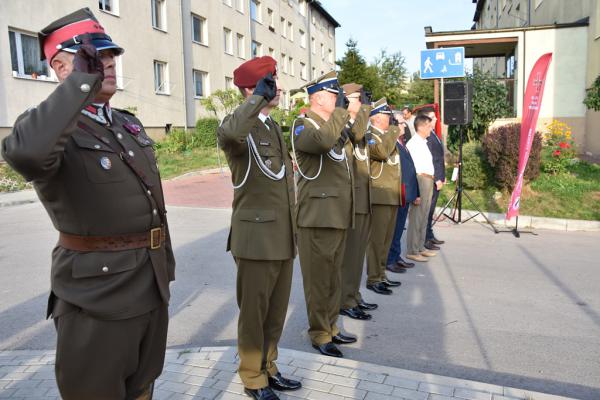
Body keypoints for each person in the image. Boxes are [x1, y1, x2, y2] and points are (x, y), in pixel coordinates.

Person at [1, 8, 175, 399]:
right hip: (98, 294)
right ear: (62, 67)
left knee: (142, 387)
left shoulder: (127, 124)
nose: (107, 62)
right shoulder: (48, 127)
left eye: (110, 54)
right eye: (93, 56)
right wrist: (80, 84)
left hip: (149, 283)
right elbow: (26, 156)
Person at [217, 56, 301, 400]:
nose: (277, 88)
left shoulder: (269, 127)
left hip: (281, 235)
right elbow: (230, 133)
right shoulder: (239, 126)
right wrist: (255, 100)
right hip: (255, 239)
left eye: (275, 81)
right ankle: (252, 377)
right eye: (269, 82)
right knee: (254, 313)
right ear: (251, 89)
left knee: (276, 311)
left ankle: (270, 366)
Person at [292, 71, 357, 358]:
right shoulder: (303, 126)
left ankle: (331, 326)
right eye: (333, 95)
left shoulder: (333, 125)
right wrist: (342, 113)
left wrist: (347, 114)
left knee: (333, 277)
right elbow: (321, 143)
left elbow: (352, 140)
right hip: (317, 217)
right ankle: (319, 332)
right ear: (317, 98)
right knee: (318, 280)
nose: (338, 99)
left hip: (337, 214)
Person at [339, 83, 377, 321]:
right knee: (350, 256)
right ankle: (346, 299)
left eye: (362, 98)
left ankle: (353, 294)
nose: (361, 101)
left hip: (363, 197)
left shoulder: (356, 123)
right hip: (350, 200)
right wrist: (365, 110)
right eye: (357, 98)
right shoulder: (342, 125)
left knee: (358, 254)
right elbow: (358, 136)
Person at [365, 99, 402, 295]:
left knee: (386, 240)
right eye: (387, 115)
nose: (391, 119)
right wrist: (394, 132)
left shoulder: (386, 135)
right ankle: (373, 278)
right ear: (377, 117)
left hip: (391, 194)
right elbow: (381, 153)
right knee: (377, 240)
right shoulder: (371, 135)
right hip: (379, 194)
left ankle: (381, 274)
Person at [386, 114, 419, 272]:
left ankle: (396, 256)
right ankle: (389, 260)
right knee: (395, 228)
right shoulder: (392, 143)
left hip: (407, 192)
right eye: (401, 123)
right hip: (398, 192)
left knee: (399, 229)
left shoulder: (401, 143)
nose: (405, 126)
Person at [405, 115, 438, 262]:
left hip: (428, 180)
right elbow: (413, 169)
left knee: (424, 216)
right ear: (421, 127)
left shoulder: (423, 142)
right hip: (420, 180)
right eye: (429, 126)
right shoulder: (414, 144)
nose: (431, 129)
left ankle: (420, 247)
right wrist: (415, 191)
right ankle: (412, 250)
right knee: (417, 217)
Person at [418, 108, 446, 249]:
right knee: (428, 210)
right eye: (433, 117)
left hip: (438, 176)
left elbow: (439, 158)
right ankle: (426, 238)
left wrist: (443, 176)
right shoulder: (427, 138)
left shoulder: (433, 134)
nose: (435, 119)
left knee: (431, 208)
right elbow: (431, 161)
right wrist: (437, 178)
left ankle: (429, 234)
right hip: (432, 178)